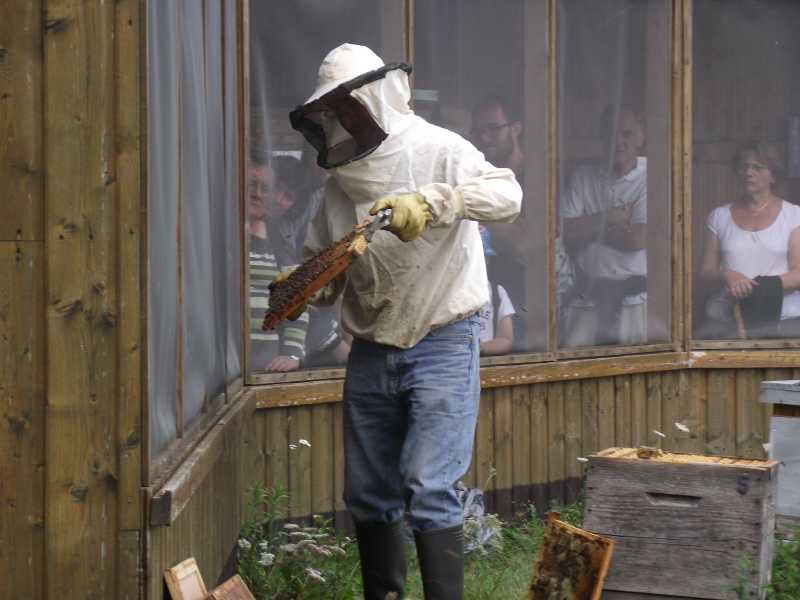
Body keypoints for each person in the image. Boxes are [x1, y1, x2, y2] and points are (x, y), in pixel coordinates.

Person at [285, 43, 521, 599]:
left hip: (442, 338)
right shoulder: (338, 187)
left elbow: (507, 194)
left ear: (376, 97)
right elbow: (328, 267)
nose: (343, 118)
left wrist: (437, 202)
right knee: (368, 493)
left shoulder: (439, 148)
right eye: (334, 110)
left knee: (430, 486)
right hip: (370, 348)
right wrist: (305, 286)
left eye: (349, 105)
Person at [560, 104, 648, 347]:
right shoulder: (583, 176)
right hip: (586, 297)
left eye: (626, 133)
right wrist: (610, 217)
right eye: (611, 134)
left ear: (641, 137)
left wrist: (588, 228)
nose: (618, 141)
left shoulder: (653, 175)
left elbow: (636, 239)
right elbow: (565, 233)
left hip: (634, 300)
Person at [699, 141, 800, 338]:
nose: (748, 172)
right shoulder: (719, 216)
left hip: (782, 321)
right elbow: (705, 272)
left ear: (773, 175)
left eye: (757, 167)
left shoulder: (794, 215)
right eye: (743, 167)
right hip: (728, 320)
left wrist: (757, 288)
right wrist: (728, 274)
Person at [248, 152, 308, 372]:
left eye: (265, 189)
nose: (257, 194)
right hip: (223, 364)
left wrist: (292, 352)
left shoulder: (277, 240)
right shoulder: (219, 234)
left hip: (266, 365)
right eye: (251, 185)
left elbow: (297, 296)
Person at [477, 225, 516, 355]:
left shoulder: (497, 292)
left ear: (487, 260)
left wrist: (479, 348)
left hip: (487, 361)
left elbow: (506, 339)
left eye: (481, 258)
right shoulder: (451, 293)